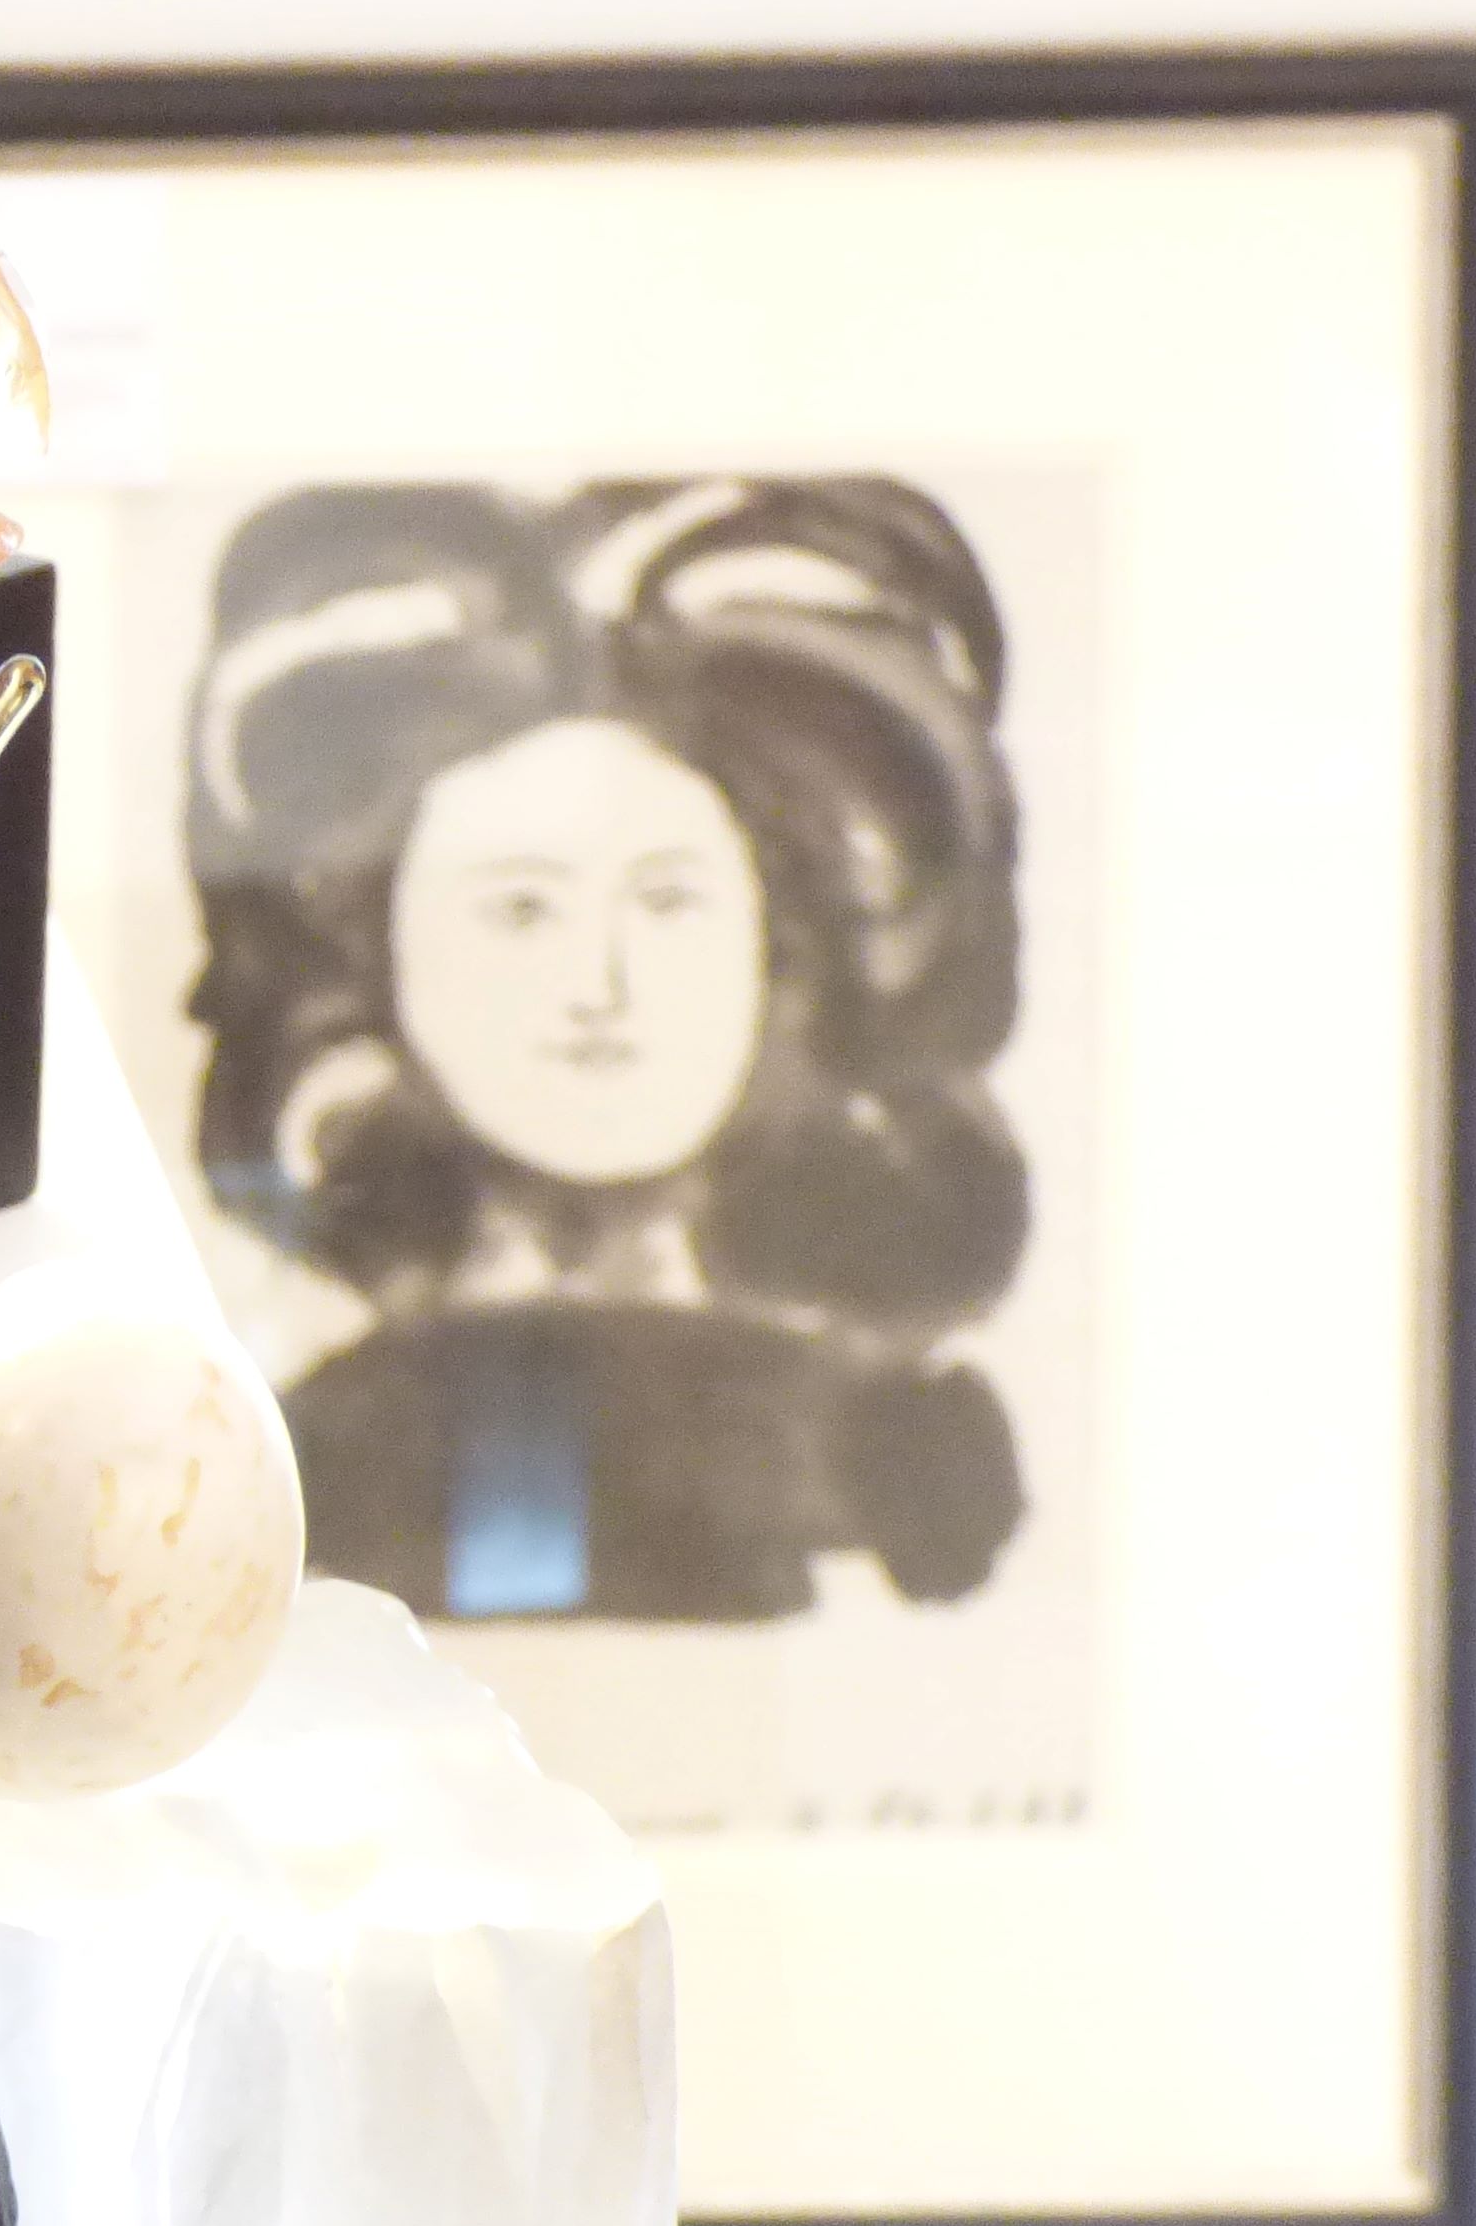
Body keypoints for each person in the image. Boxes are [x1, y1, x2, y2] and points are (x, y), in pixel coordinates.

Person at [185, 478, 1030, 1623]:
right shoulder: (306, 1452)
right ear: (374, 958)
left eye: (670, 903)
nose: (599, 989)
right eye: (520, 910)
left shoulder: (895, 1459)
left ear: (784, 946)